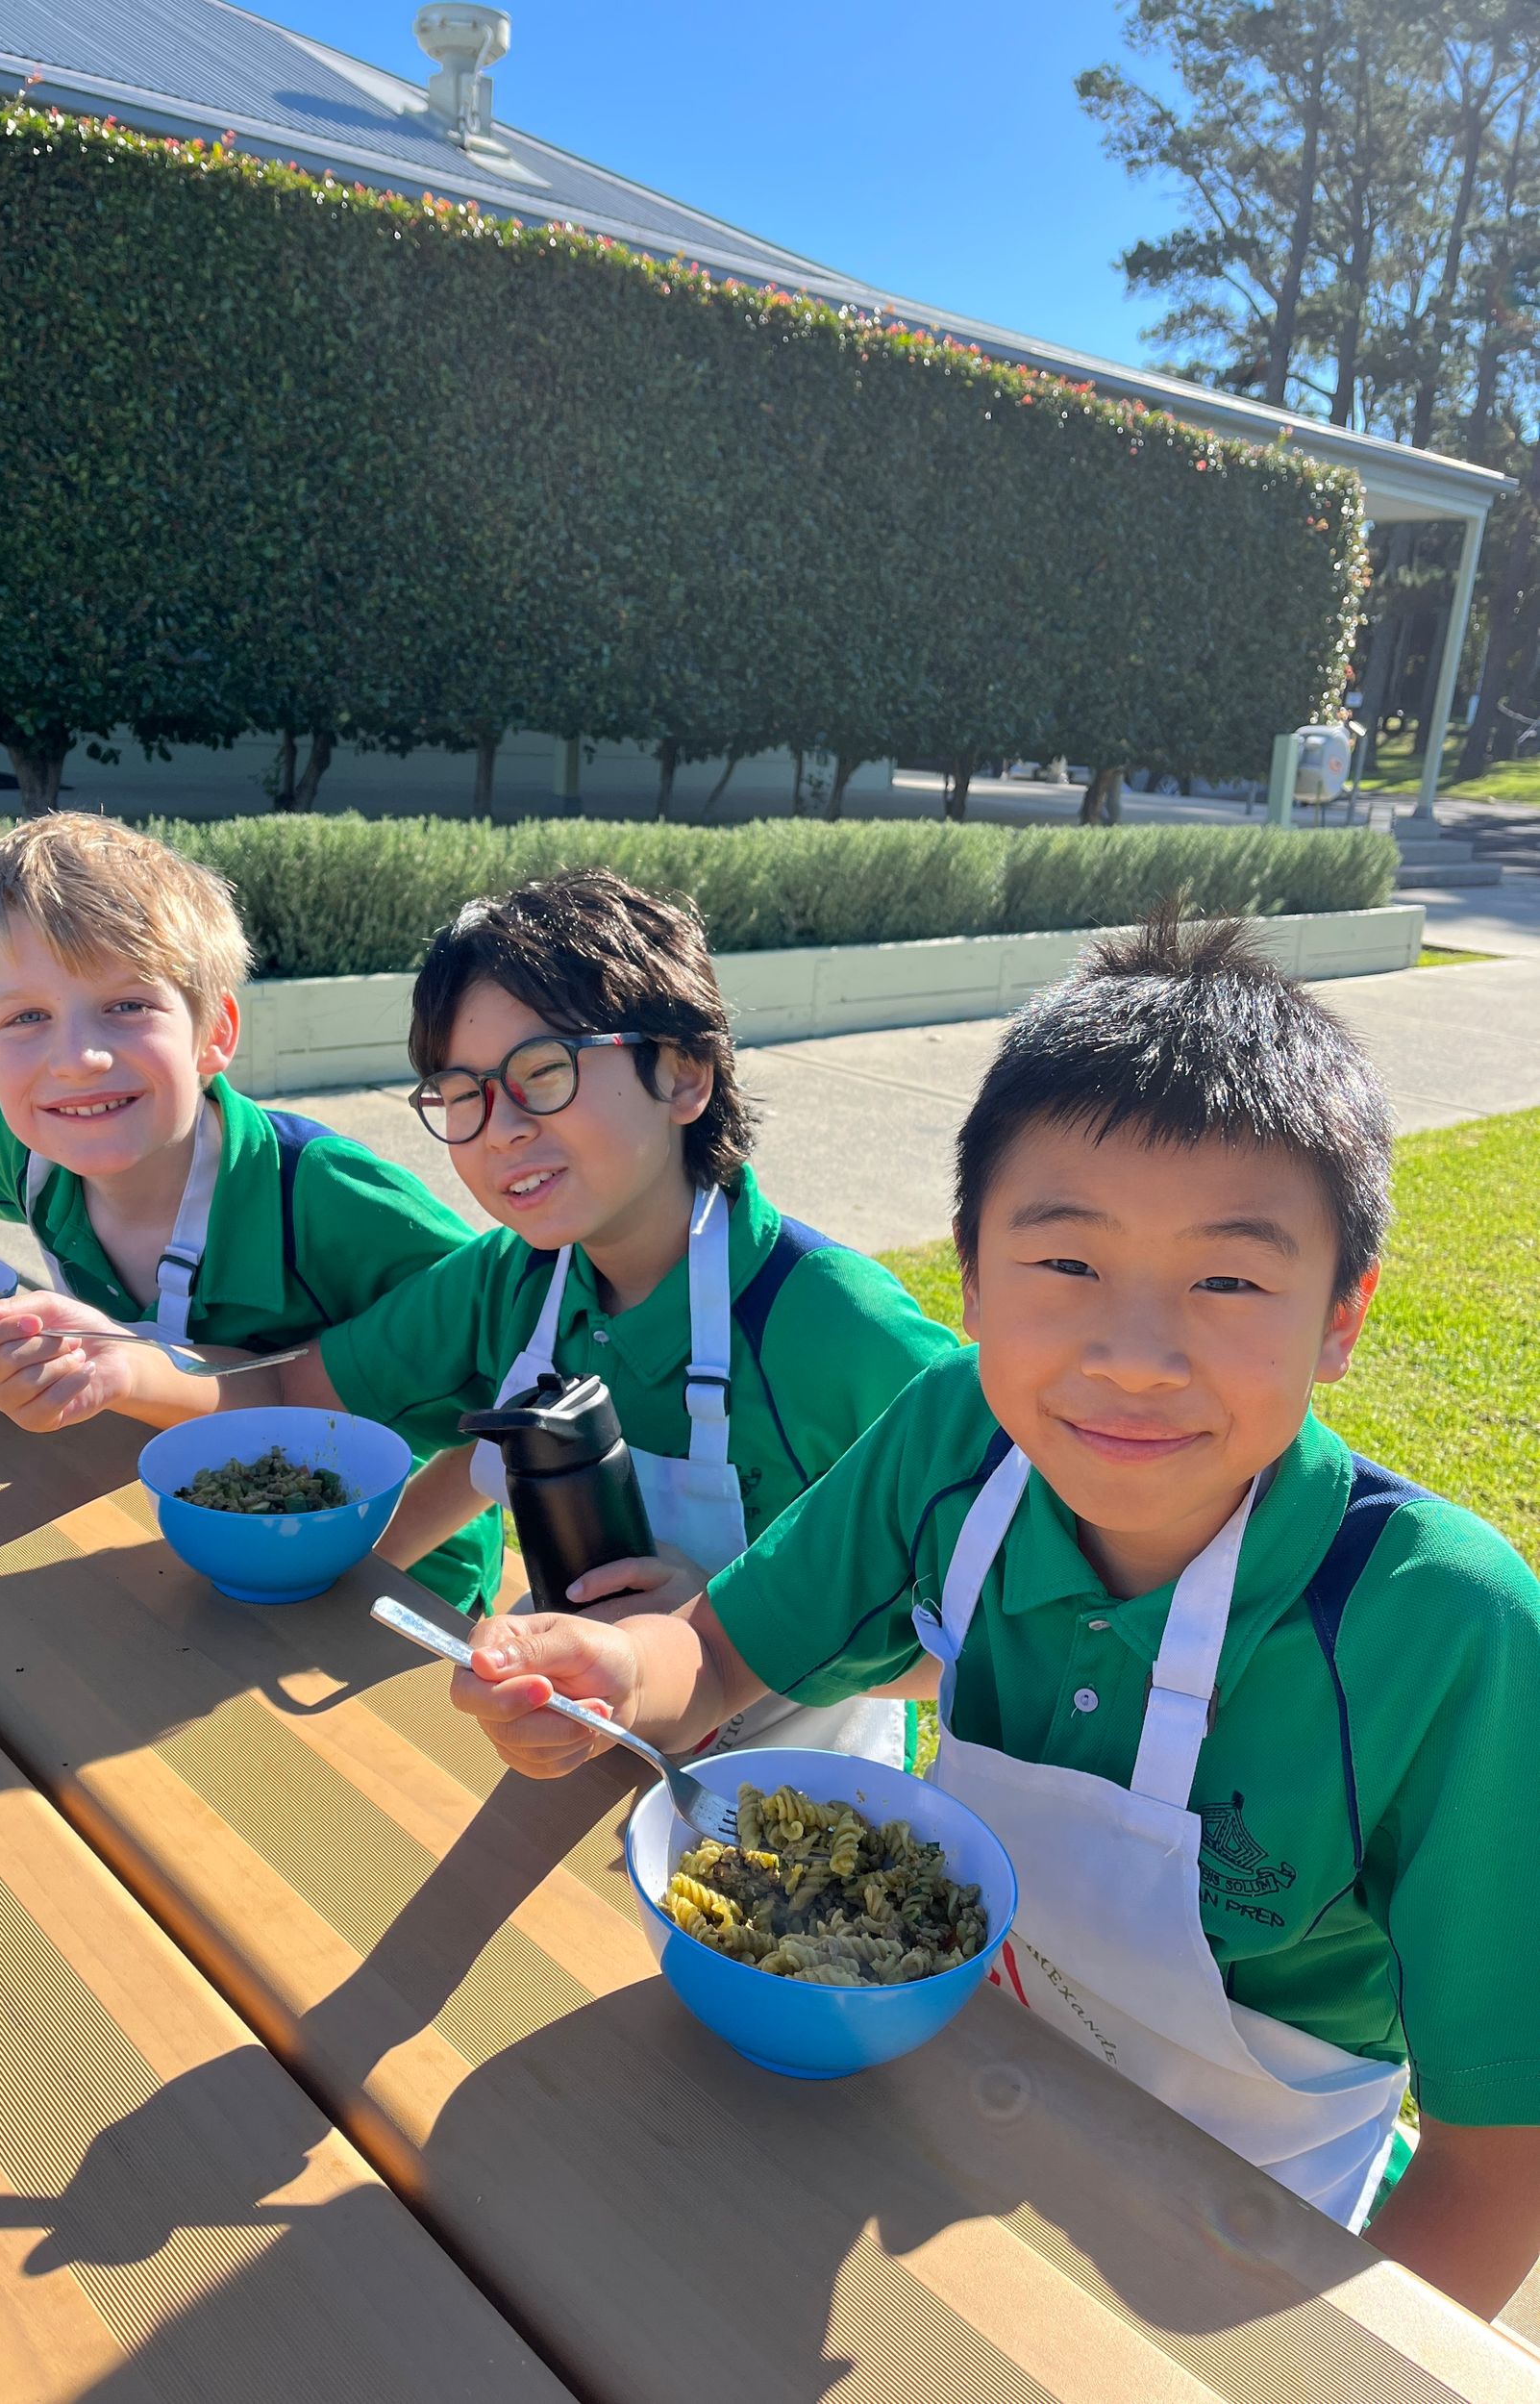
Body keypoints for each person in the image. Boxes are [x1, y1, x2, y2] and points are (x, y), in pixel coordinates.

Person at [448, 912, 1540, 2319]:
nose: (1132, 1358)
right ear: (969, 1273)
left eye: (1227, 1280)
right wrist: (609, 1667)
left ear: (1340, 1314)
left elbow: (1499, 2160)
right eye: (1065, 1264)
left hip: (1241, 2255)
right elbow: (710, 1651)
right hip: (947, 2114)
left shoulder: (1447, 1633)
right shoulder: (952, 1439)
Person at [0, 868, 960, 1762]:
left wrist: (724, 1637)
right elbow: (299, 1395)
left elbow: (994, 1638)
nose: (502, 1131)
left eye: (545, 1073)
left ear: (684, 1072)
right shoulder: (507, 1281)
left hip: (795, 1807)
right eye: (463, 1095)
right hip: (575, 1740)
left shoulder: (836, 1329)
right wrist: (120, 1359)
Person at [0, 814, 497, 1613]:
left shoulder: (330, 1197)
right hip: (173, 1528)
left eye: (126, 1005)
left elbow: (529, 1368)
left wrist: (373, 1564)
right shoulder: (31, 1142)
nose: (78, 1059)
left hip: (395, 1578)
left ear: (213, 1033)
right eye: (26, 1017)